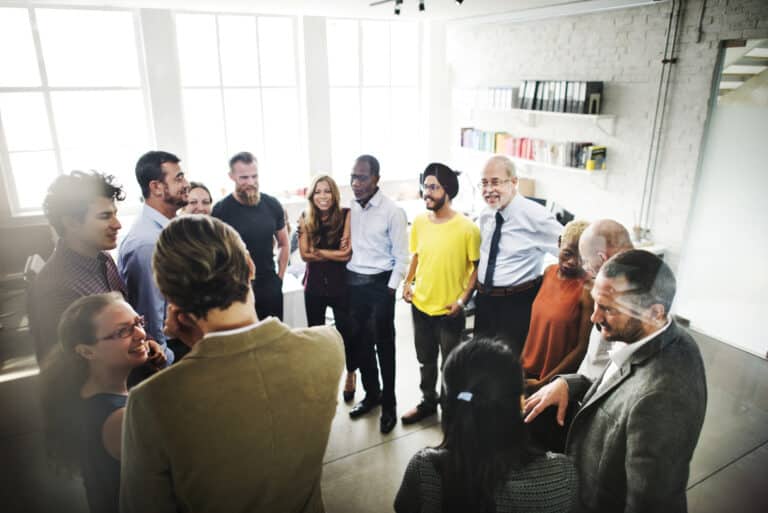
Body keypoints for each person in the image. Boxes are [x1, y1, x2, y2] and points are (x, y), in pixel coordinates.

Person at [120, 215, 344, 513]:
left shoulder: (151, 402)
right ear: (249, 266)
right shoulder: (327, 346)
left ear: (172, 303)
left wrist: (198, 345)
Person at [524, 250, 707, 513]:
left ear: (654, 313)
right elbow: (618, 385)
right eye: (596, 303)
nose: (594, 318)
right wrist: (568, 384)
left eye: (608, 309)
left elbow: (652, 503)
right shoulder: (653, 338)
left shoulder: (663, 398)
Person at [394, 338, 577, 513]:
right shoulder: (562, 475)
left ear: (451, 405)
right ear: (522, 403)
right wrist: (574, 383)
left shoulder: (425, 469)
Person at [40, 292, 164, 513]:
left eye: (138, 323)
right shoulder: (120, 419)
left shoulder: (85, 394)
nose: (142, 334)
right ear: (86, 351)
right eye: (123, 331)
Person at [401, 163, 480, 425]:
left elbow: (476, 270)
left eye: (434, 187)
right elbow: (416, 256)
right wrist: (408, 283)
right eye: (425, 186)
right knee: (425, 361)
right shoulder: (420, 222)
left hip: (450, 310)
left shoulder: (468, 228)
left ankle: (450, 410)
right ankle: (427, 402)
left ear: (448, 190)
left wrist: (462, 300)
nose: (427, 192)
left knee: (450, 364)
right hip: (420, 306)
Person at [28, 171, 128, 364]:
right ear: (71, 222)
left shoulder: (104, 259)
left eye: (115, 214)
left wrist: (147, 343)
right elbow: (71, 368)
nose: (117, 224)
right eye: (105, 216)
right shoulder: (56, 289)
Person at [346, 154, 409, 434]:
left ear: (376, 179)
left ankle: (390, 404)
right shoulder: (350, 207)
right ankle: (372, 395)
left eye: (361, 177)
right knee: (360, 345)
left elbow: (401, 258)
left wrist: (389, 290)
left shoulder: (392, 211)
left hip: (380, 285)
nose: (355, 183)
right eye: (353, 177)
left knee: (384, 346)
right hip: (352, 284)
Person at [474, 155, 562, 355]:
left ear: (514, 182)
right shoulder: (487, 213)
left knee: (506, 365)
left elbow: (568, 248)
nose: (488, 190)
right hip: (485, 301)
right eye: (484, 183)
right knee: (479, 360)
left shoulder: (536, 215)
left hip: (515, 304)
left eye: (495, 182)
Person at [118, 150, 188, 366]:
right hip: (169, 351)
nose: (186, 183)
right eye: (178, 178)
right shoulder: (148, 243)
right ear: (156, 187)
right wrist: (165, 362)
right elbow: (148, 314)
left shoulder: (169, 229)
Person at [212, 151, 289, 320]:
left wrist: (279, 278)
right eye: (244, 178)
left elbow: (284, 243)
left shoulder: (272, 204)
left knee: (273, 341)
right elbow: (215, 255)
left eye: (254, 176)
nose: (251, 182)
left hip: (270, 287)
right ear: (231, 176)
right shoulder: (220, 210)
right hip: (237, 290)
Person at [298, 174, 356, 401]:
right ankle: (319, 376)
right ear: (312, 195)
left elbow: (346, 255)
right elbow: (304, 255)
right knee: (316, 333)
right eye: (318, 192)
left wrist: (318, 252)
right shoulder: (305, 217)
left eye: (327, 191)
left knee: (347, 333)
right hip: (313, 287)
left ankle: (351, 374)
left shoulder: (346, 215)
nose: (323, 196)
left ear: (334, 193)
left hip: (341, 286)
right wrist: (332, 254)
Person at [521, 219, 593, 392]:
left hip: (552, 381)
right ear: (559, 243)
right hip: (526, 369)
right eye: (567, 253)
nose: (572, 262)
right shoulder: (548, 272)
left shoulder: (587, 290)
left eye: (581, 257)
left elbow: (582, 348)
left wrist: (545, 383)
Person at [575, 219, 634, 381]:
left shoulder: (625, 297)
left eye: (586, 261)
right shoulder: (614, 279)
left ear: (602, 258)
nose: (585, 268)